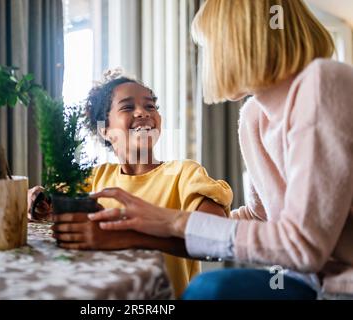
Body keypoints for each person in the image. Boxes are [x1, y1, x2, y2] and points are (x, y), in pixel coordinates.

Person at [87, 0, 353, 300]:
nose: (208, 58)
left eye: (210, 43)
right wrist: (160, 225)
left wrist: (175, 222)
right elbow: (260, 216)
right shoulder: (255, 117)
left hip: (340, 286)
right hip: (299, 282)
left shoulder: (322, 83)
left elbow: (302, 245)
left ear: (240, 38)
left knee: (209, 289)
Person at [28, 71, 233, 298]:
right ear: (105, 130)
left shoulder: (183, 174)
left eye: (151, 106)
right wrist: (37, 198)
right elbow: (49, 201)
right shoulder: (96, 178)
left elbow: (219, 238)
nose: (143, 113)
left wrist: (122, 237)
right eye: (127, 107)